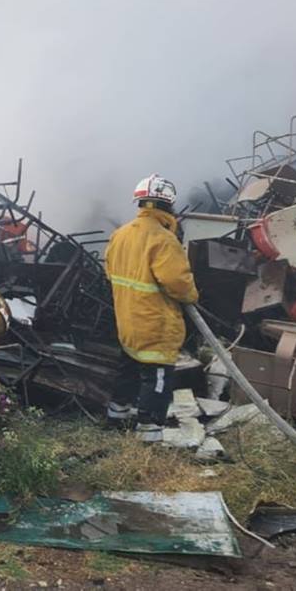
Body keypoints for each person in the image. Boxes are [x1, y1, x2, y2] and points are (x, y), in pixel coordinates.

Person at [104, 174, 200, 441]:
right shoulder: (163, 240)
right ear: (167, 206)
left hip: (127, 319)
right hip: (155, 322)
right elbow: (178, 283)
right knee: (156, 377)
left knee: (129, 366)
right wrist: (193, 295)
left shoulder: (120, 234)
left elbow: (109, 271)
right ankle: (149, 432)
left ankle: (117, 416)